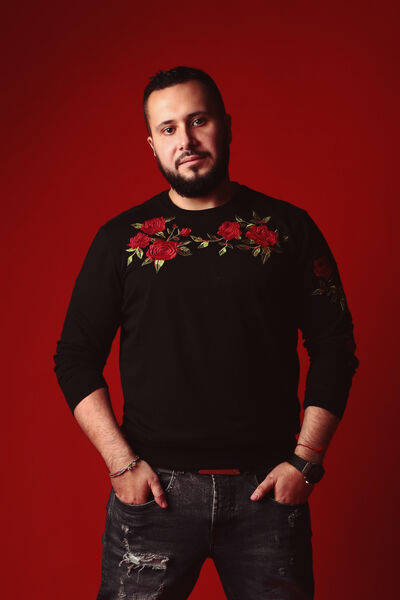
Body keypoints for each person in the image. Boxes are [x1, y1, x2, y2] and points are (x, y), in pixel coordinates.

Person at [53, 65, 359, 600]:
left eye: (198, 121)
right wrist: (121, 464)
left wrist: (306, 460)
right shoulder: (120, 240)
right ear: (152, 144)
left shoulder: (288, 229)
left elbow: (335, 346)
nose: (186, 140)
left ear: (226, 125)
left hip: (268, 494)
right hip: (155, 497)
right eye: (168, 128)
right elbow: (75, 356)